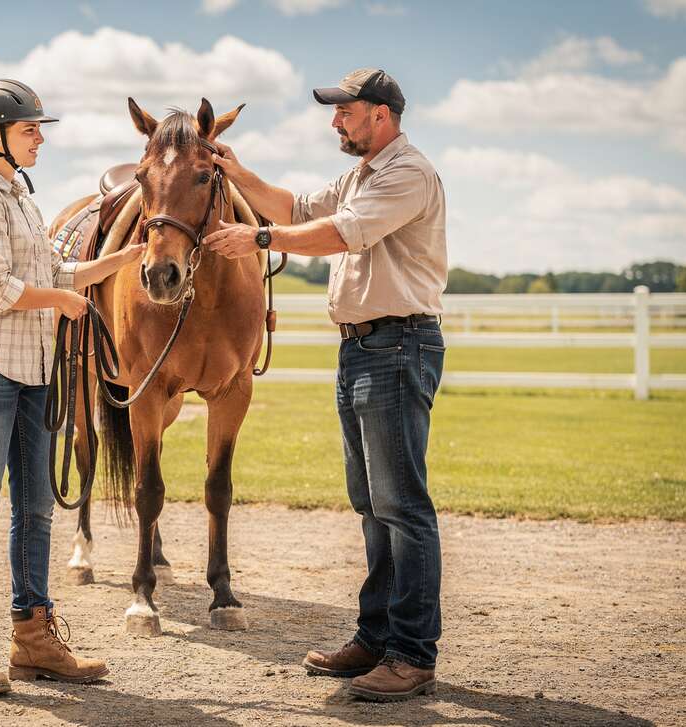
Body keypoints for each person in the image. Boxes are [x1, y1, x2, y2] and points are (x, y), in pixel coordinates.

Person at [203, 68, 447, 703]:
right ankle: (377, 638)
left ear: (382, 115)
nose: (335, 121)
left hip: (396, 346)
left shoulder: (405, 173)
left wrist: (257, 237)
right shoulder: (360, 175)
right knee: (371, 504)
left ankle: (413, 654)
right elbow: (300, 209)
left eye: (346, 111)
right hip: (365, 349)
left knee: (402, 507)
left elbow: (340, 233)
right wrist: (239, 174)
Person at [0, 79, 145, 698]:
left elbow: (59, 271)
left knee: (35, 507)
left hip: (31, 371)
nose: (40, 139)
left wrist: (124, 257)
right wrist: (65, 302)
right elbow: (1, 291)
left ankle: (33, 638)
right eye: (30, 130)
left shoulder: (22, 198)